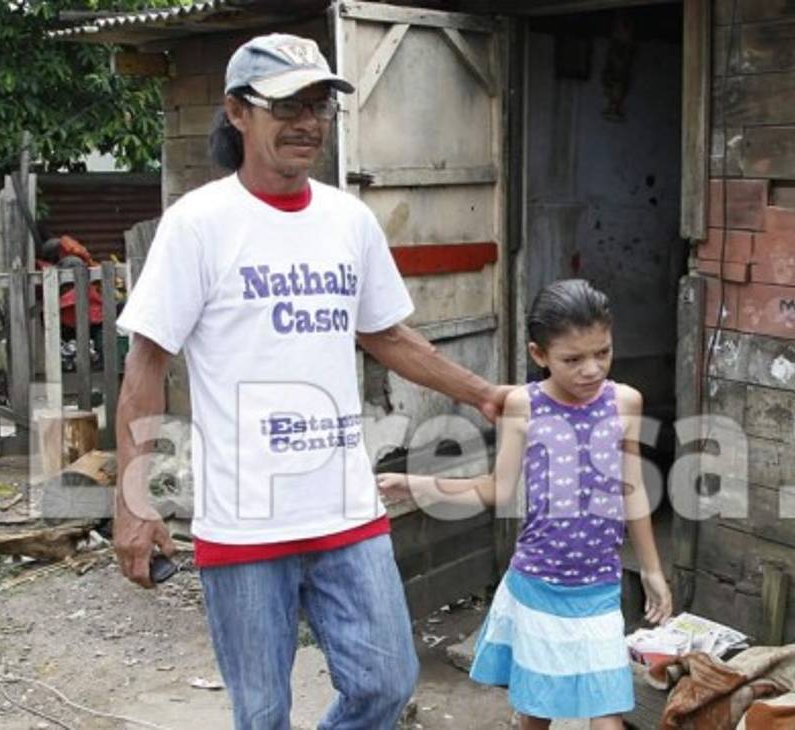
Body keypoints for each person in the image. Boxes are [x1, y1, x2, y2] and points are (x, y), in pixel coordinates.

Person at [112, 33, 509, 730]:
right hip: (243, 523)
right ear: (237, 113)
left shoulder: (348, 220)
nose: (308, 121)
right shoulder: (198, 225)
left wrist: (481, 393)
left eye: (320, 103)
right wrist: (134, 502)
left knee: (386, 684)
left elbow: (385, 333)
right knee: (261, 714)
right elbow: (147, 365)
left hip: (345, 511)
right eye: (287, 105)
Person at [379, 279, 673, 730]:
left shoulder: (625, 402)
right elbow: (495, 489)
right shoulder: (524, 406)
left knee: (607, 712)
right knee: (536, 712)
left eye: (603, 353)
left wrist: (652, 569)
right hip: (538, 584)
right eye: (572, 360)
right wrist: (416, 485)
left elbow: (633, 491)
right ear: (539, 355)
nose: (591, 370)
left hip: (598, 586)